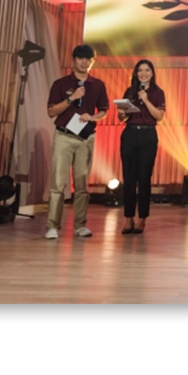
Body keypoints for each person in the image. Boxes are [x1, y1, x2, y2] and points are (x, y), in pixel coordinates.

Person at [44, 44, 110, 239]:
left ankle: (80, 225)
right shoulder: (61, 84)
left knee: (82, 184)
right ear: (73, 60)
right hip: (64, 136)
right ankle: (52, 226)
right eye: (81, 58)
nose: (84, 62)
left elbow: (104, 111)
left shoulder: (98, 85)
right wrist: (71, 98)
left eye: (88, 59)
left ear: (92, 62)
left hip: (85, 138)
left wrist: (93, 117)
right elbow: (51, 111)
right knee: (58, 183)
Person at [115, 59, 165, 235]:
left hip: (148, 135)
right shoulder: (130, 91)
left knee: (144, 178)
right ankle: (128, 217)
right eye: (140, 70)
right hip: (130, 134)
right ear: (136, 74)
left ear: (152, 73)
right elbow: (122, 117)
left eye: (147, 70)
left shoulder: (158, 92)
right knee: (129, 179)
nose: (143, 73)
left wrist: (146, 100)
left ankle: (142, 218)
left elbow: (159, 116)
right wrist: (121, 113)